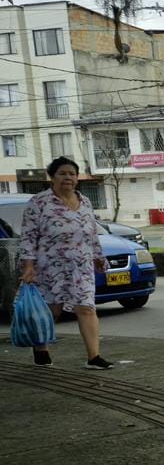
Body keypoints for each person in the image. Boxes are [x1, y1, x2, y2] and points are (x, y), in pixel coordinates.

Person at [18, 157, 113, 369]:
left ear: (77, 178)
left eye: (72, 174)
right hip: (49, 266)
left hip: (81, 266)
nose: (68, 178)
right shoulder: (39, 202)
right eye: (62, 173)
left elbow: (92, 234)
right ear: (52, 177)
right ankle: (41, 349)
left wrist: (99, 257)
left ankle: (94, 357)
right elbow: (28, 236)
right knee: (52, 310)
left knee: (87, 308)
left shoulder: (85, 202)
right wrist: (28, 266)